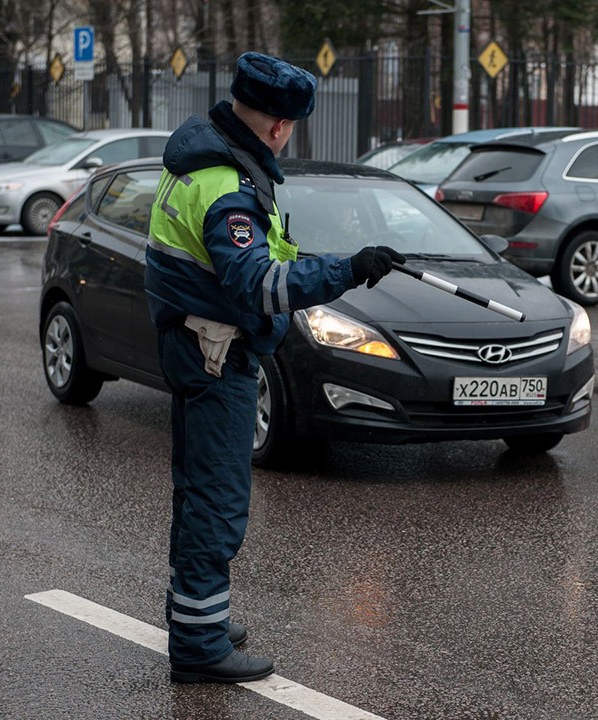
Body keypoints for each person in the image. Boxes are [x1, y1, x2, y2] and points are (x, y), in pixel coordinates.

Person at [144, 52, 404, 684]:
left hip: (194, 345)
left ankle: (195, 619)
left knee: (197, 491)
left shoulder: (205, 162)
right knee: (217, 501)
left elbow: (270, 252)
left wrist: (331, 260)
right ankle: (200, 646)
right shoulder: (226, 187)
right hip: (217, 354)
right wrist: (346, 269)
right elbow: (257, 282)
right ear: (281, 125)